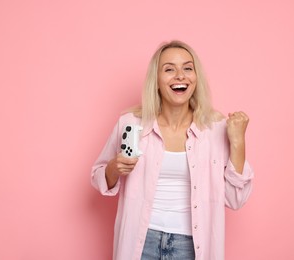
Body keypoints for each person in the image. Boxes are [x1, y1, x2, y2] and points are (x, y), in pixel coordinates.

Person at [91, 40, 254, 260]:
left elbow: (236, 199)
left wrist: (238, 143)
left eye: (188, 68)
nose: (180, 75)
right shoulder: (132, 123)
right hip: (141, 241)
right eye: (169, 69)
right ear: (156, 81)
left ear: (196, 79)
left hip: (192, 245)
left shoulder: (216, 129)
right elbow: (99, 176)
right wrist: (113, 168)